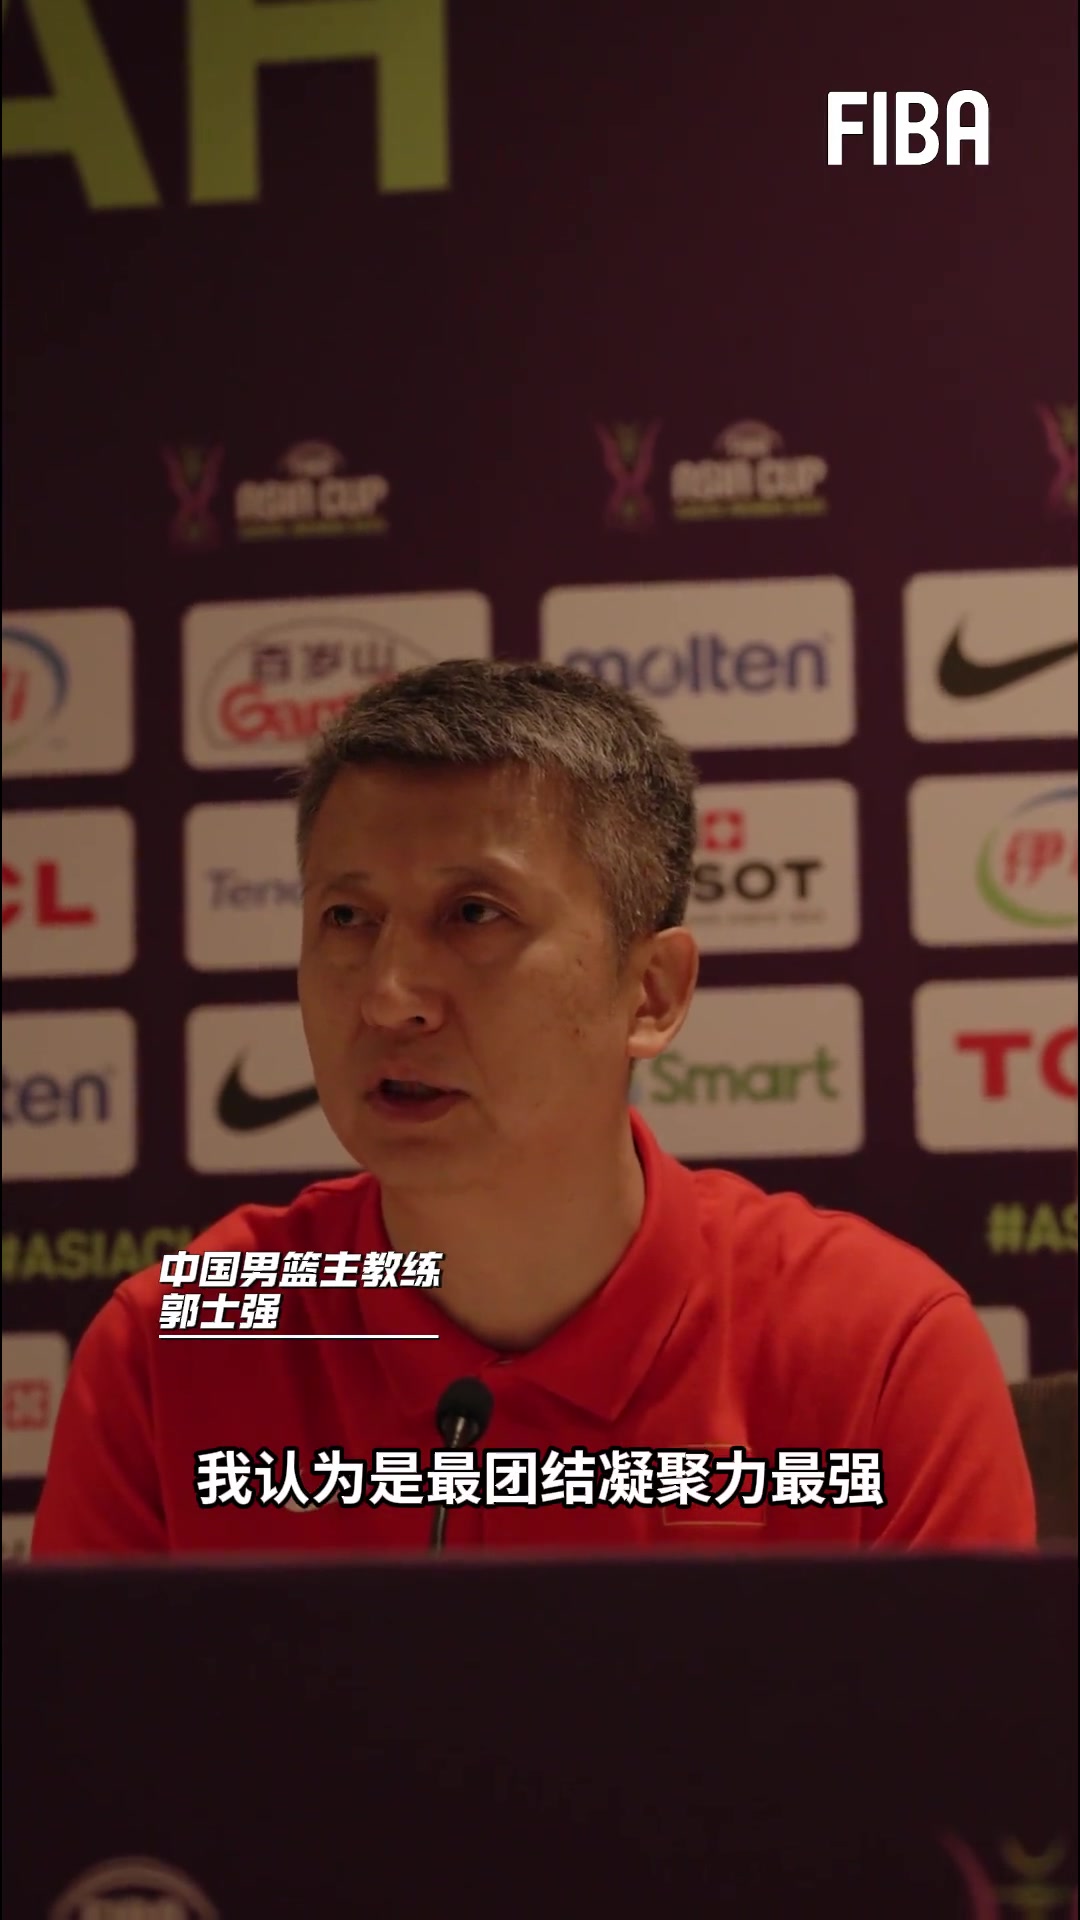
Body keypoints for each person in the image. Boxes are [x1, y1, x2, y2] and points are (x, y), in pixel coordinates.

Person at [32, 660, 1035, 1556]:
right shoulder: (177, 1344)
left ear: (651, 993)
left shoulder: (880, 1350)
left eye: (475, 914)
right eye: (348, 917)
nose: (388, 996)